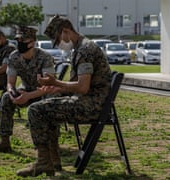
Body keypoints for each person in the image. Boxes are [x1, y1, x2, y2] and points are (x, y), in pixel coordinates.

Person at [16, 15, 112, 177]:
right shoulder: (81, 48)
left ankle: (44, 162)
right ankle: (51, 161)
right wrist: (54, 87)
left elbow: (82, 87)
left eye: (58, 39)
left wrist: (58, 84)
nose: (59, 44)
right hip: (91, 101)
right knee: (46, 106)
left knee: (36, 110)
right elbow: (77, 85)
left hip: (91, 105)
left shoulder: (85, 50)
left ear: (66, 31)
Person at [0, 26, 55, 153]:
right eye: (18, 40)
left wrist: (28, 96)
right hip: (25, 90)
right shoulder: (14, 57)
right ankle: (4, 141)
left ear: (32, 43)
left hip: (42, 92)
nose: (20, 44)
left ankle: (50, 144)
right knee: (6, 98)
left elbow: (49, 86)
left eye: (23, 41)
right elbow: (10, 83)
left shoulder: (45, 58)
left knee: (50, 100)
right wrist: (12, 93)